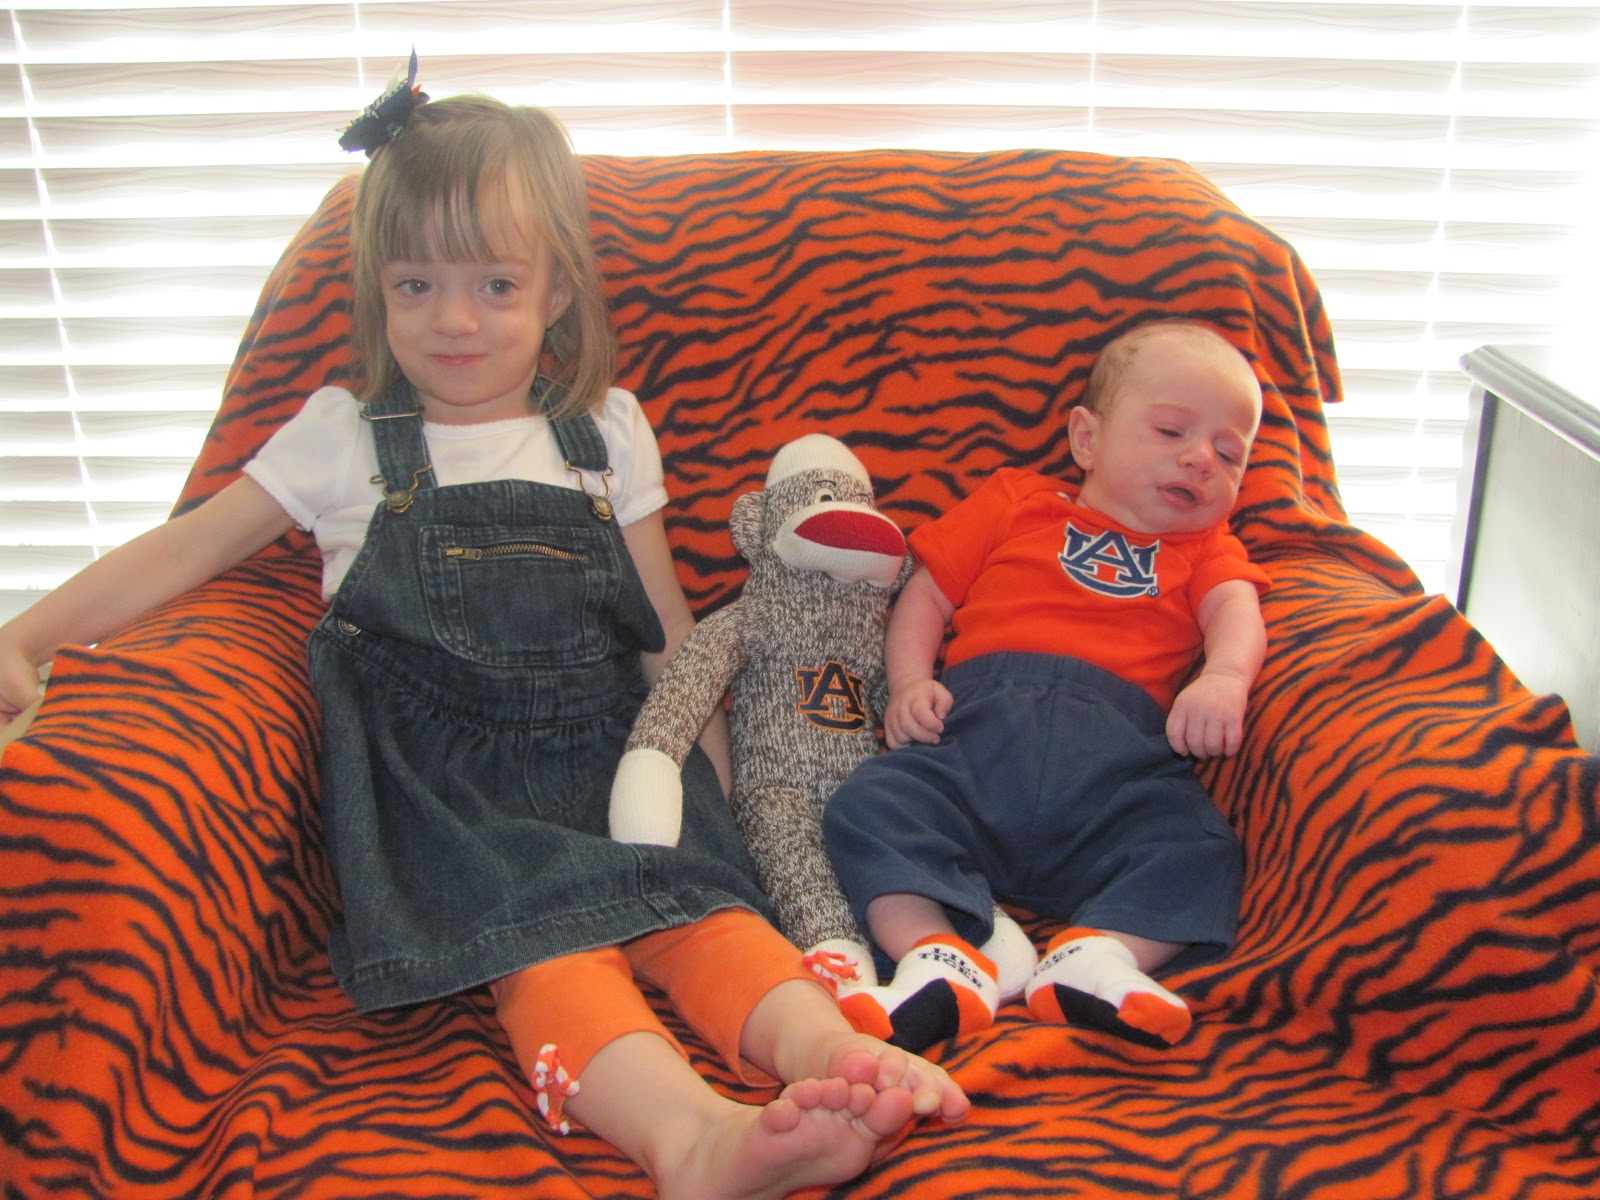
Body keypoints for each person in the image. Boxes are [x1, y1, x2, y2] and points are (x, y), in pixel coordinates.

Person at [0, 79, 967, 1200]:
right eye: (415, 285)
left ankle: (835, 1056)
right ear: (376, 287)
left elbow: (663, 629)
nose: (453, 321)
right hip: (445, 792)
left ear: (555, 290)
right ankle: (691, 1140)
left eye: (494, 285)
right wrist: (24, 636)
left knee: (709, 913)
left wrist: (723, 793)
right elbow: (183, 550)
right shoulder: (342, 437)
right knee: (547, 955)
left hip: (610, 754)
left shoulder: (606, 430)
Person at [821, 319, 1269, 1054]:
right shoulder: (1015, 502)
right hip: (975, 743)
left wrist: (1223, 678)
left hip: (1119, 772)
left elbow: (1237, 615)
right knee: (869, 804)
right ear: (1087, 438)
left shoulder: (1207, 550)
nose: (1200, 458)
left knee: (1201, 847)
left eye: (1229, 453)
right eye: (1171, 431)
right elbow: (927, 596)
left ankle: (1098, 955)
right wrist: (908, 683)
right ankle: (938, 955)